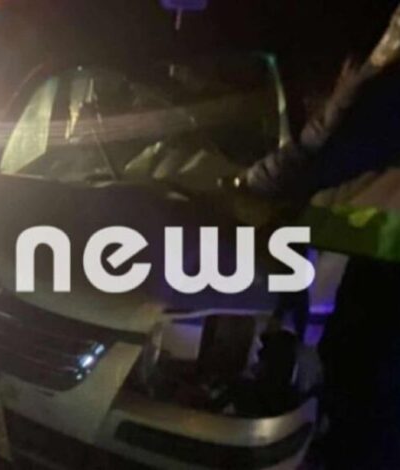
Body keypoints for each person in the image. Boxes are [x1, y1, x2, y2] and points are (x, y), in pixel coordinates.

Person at [229, 3, 400, 467]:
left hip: (378, 281)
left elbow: (325, 151)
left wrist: (249, 186)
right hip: (366, 273)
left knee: (365, 415)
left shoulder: (387, 89)